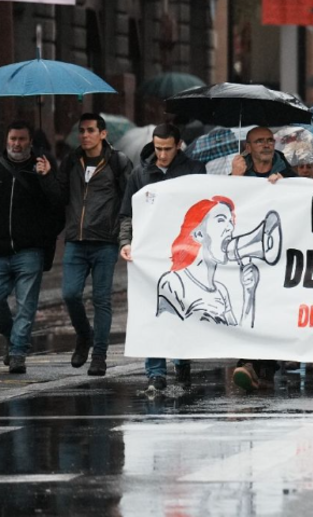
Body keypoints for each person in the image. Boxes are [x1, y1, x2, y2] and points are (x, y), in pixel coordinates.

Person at [118, 123, 207, 392]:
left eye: (167, 149)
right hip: (150, 254)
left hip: (185, 253)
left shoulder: (194, 170)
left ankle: (182, 360)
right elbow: (127, 213)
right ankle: (155, 372)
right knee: (152, 311)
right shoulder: (140, 173)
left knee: (181, 309)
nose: (162, 154)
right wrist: (125, 242)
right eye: (158, 149)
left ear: (178, 145)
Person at [55, 113, 133, 377]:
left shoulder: (118, 162)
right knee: (70, 294)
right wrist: (46, 176)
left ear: (103, 134)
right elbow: (59, 196)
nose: (85, 135)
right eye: (81, 131)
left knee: (102, 300)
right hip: (76, 241)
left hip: (105, 241)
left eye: (90, 130)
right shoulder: (71, 161)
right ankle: (84, 336)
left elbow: (130, 199)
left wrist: (126, 236)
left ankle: (99, 356)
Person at [230, 126, 293, 393]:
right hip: (247, 254)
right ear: (249, 146)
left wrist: (288, 185)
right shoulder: (239, 171)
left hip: (280, 255)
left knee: (270, 308)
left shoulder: (287, 172)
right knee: (246, 304)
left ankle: (265, 367)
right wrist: (234, 180)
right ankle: (248, 363)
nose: (266, 145)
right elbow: (227, 207)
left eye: (269, 140)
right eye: (259, 141)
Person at [0, 121, 63, 375]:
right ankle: (11, 334)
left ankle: (17, 353)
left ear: (30, 142)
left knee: (26, 305)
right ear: (6, 140)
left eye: (22, 139)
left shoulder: (40, 169)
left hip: (30, 251)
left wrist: (46, 177)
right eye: (13, 138)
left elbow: (58, 205)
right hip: (1, 250)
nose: (16, 143)